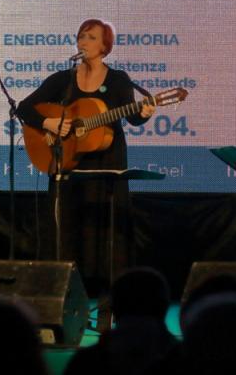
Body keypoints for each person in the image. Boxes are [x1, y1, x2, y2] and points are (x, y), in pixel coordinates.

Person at [16, 19, 155, 294]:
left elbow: (133, 116)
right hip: (68, 164)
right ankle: (64, 298)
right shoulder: (63, 80)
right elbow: (24, 108)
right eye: (81, 36)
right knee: (65, 232)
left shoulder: (118, 80)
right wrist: (48, 123)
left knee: (107, 233)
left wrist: (144, 113)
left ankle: (107, 306)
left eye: (91, 37)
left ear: (105, 46)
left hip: (107, 165)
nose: (83, 42)